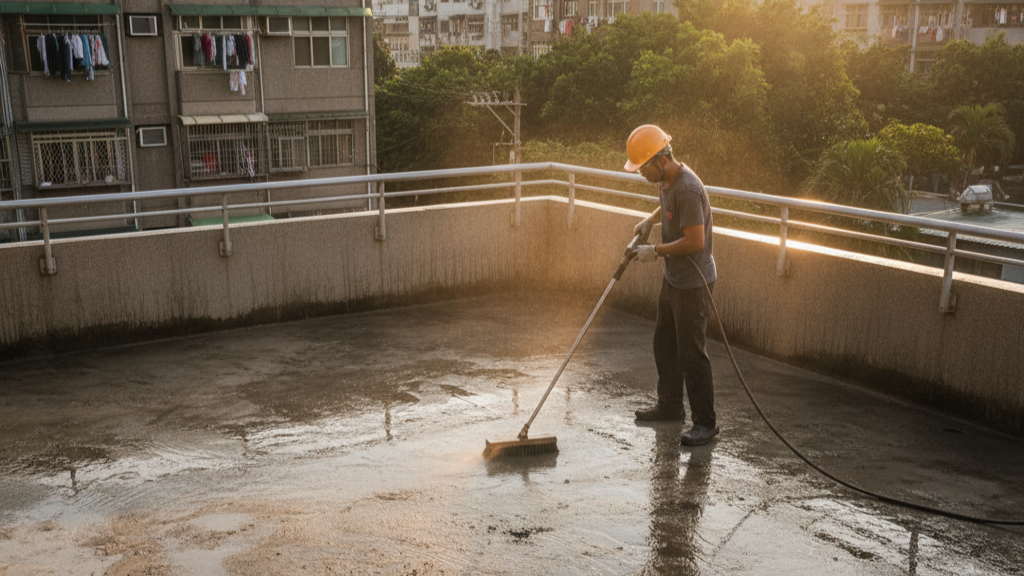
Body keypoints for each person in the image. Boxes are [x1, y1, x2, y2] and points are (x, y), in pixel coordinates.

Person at [623, 124, 719, 447]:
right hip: (674, 279)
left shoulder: (688, 189)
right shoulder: (666, 180)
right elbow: (669, 205)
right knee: (664, 343)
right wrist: (652, 221)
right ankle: (670, 406)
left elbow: (695, 240)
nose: (640, 175)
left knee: (691, 353)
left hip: (694, 283)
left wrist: (657, 251)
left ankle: (706, 424)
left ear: (661, 160)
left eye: (643, 168)